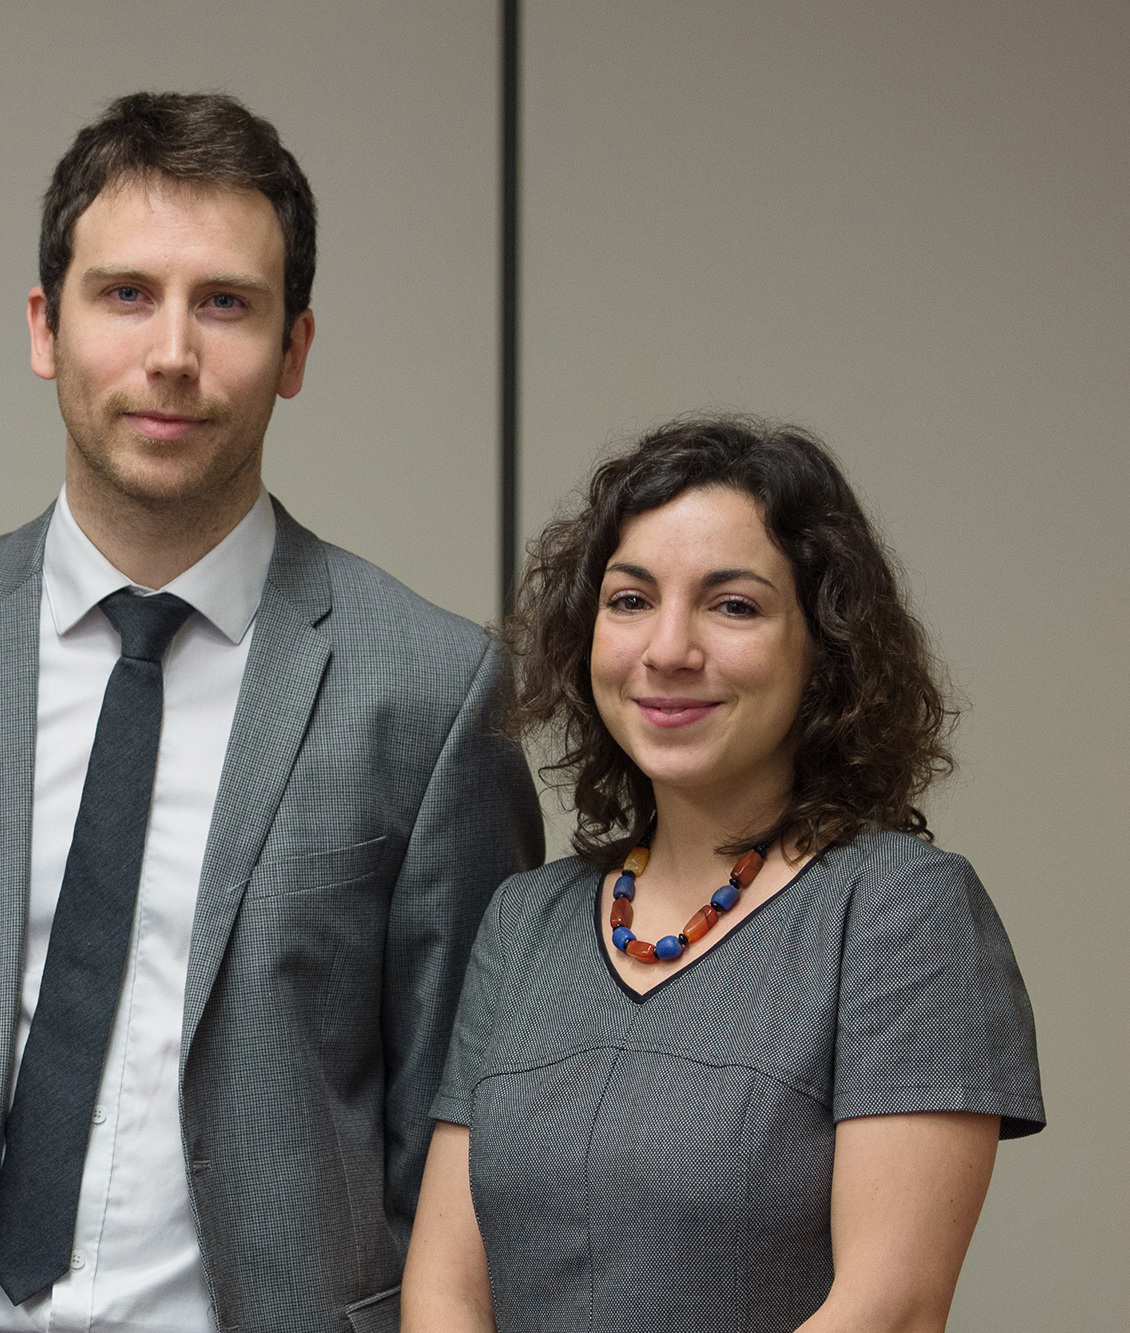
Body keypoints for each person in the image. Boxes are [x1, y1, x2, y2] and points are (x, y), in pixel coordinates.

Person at [0, 91, 543, 1333]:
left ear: (296, 349)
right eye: (125, 293)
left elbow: (459, 1130)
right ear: (45, 325)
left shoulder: (428, 688)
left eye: (227, 303)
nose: (172, 355)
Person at [400, 416, 1045, 1332]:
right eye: (630, 600)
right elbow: (445, 1292)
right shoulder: (524, 920)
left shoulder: (900, 911)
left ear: (825, 649)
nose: (667, 649)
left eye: (732, 605)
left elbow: (889, 1307)